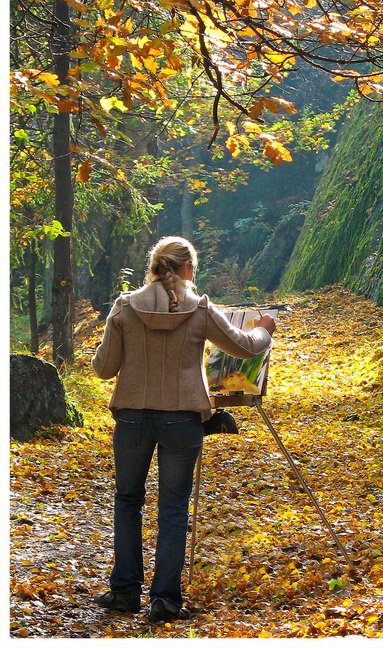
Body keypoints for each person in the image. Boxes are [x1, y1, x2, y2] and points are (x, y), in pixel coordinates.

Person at [91, 236, 276, 623]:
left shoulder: (124, 307)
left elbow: (104, 368)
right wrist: (266, 329)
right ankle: (165, 601)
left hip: (132, 418)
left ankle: (125, 592)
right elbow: (245, 346)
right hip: (181, 419)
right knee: (172, 509)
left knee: (127, 502)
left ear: (155, 266)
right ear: (188, 268)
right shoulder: (200, 309)